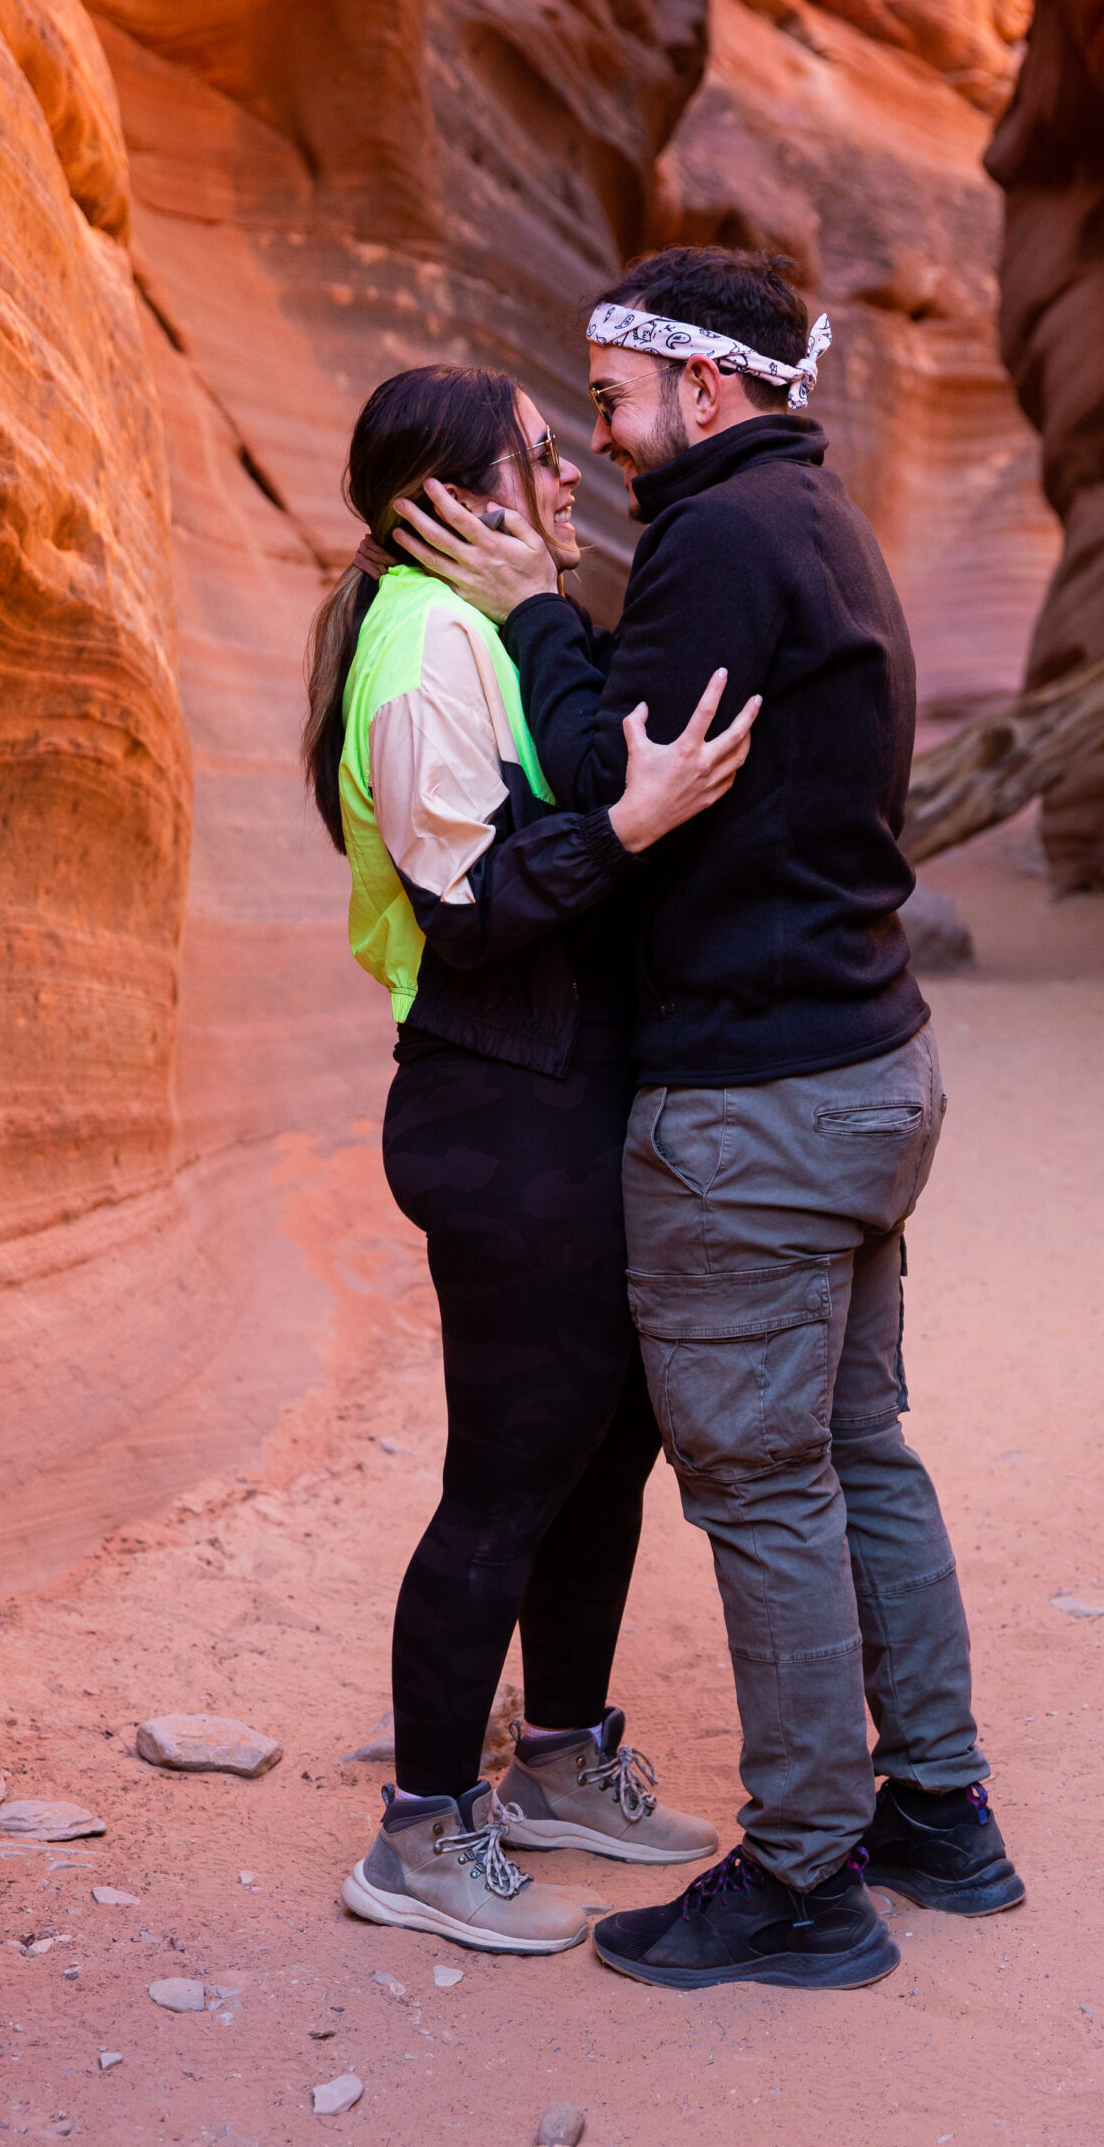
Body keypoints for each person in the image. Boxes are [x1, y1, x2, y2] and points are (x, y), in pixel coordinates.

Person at [392, 249, 1025, 1993]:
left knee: (763, 1485)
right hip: (869, 1070)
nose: (594, 437)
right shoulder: (814, 522)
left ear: (707, 389)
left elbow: (618, 786)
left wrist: (534, 608)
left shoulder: (722, 541)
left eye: (611, 397)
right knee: (858, 1450)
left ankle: (808, 1881)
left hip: (755, 1107)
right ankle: (939, 1815)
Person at [304, 362, 754, 1957]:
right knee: (507, 1469)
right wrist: (636, 827)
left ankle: (559, 1755)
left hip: (558, 1097)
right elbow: (473, 911)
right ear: (458, 494)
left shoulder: (484, 628)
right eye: (539, 460)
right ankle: (422, 1833)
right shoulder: (423, 646)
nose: (570, 482)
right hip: (499, 1106)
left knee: (603, 1436)